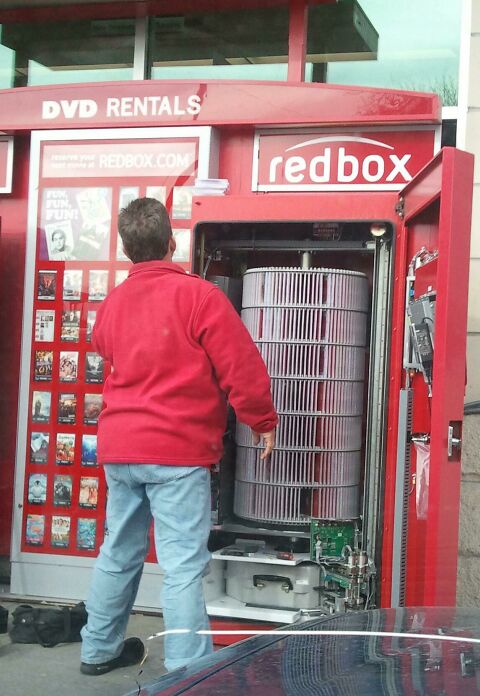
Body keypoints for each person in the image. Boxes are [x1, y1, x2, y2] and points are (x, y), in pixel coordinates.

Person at [80, 197, 277, 677]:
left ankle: (97, 650)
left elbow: (103, 348)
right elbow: (241, 366)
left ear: (128, 250)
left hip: (120, 449)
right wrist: (262, 420)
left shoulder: (113, 303)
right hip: (175, 453)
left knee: (118, 550)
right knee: (183, 565)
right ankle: (188, 673)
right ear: (172, 243)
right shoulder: (200, 297)